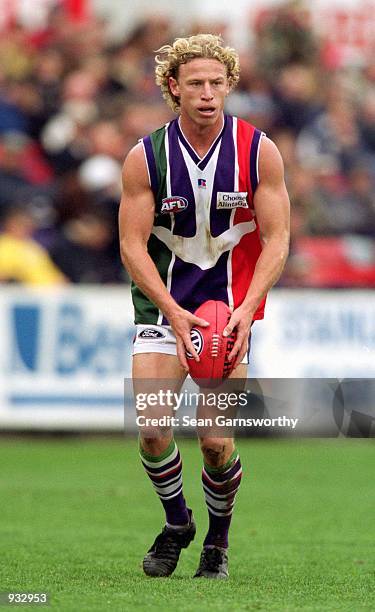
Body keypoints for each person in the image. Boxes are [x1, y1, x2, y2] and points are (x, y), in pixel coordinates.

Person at [119, 34, 290, 579]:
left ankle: (217, 542)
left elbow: (279, 237)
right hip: (164, 308)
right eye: (195, 83)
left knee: (215, 442)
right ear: (174, 87)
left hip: (229, 311)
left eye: (217, 83)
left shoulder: (259, 151)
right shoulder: (145, 157)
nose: (208, 93)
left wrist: (248, 309)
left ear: (230, 85)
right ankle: (178, 524)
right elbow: (129, 245)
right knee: (151, 429)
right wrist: (169, 309)